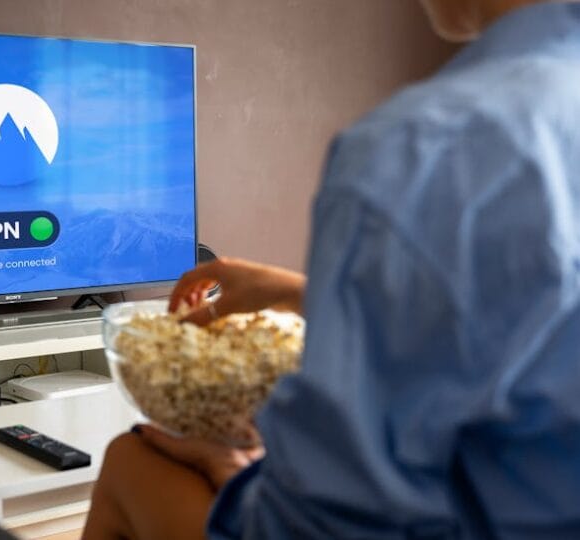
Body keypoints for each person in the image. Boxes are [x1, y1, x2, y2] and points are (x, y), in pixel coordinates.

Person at [83, 0, 580, 538]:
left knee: (129, 462)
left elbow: (334, 519)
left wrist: (242, 473)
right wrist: (303, 294)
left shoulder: (429, 143)